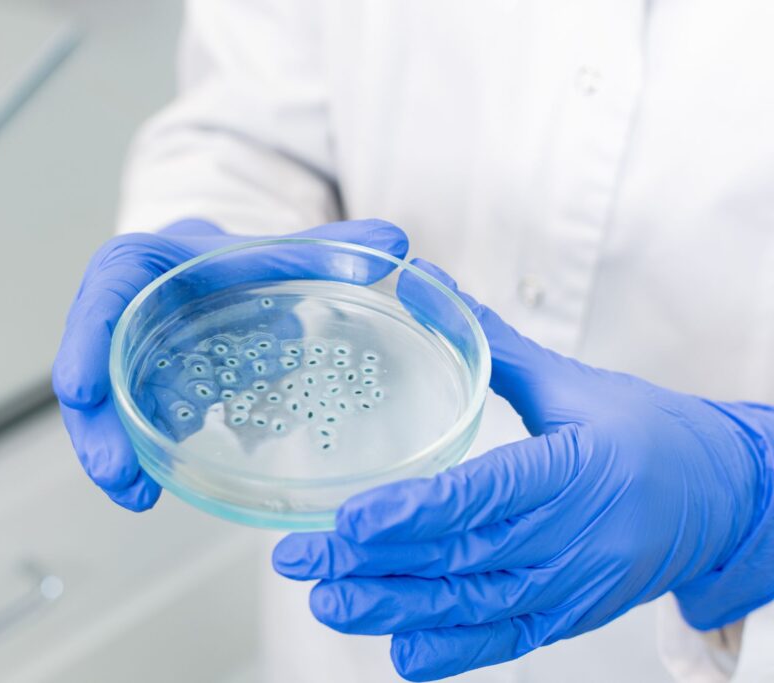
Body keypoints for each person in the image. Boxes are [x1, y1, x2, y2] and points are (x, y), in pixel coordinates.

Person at [52, 2, 774, 680]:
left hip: (672, 638)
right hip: (345, 552)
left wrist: (752, 502)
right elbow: (251, 121)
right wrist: (219, 248)